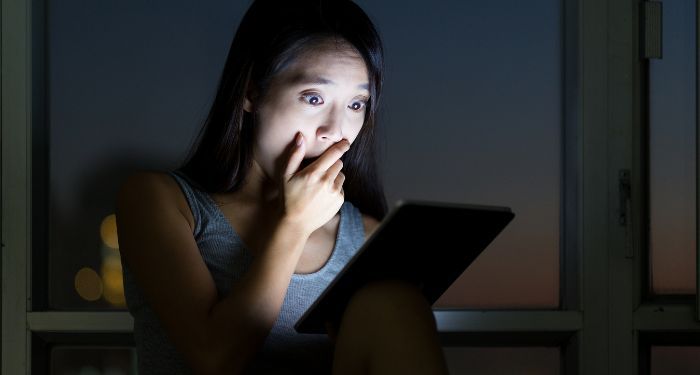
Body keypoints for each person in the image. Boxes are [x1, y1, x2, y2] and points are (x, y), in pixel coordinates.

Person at [115, 0, 449, 373]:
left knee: (395, 303)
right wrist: (293, 225)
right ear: (252, 93)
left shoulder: (366, 237)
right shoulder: (158, 200)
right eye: (314, 98)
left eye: (356, 104)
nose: (335, 130)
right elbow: (214, 358)